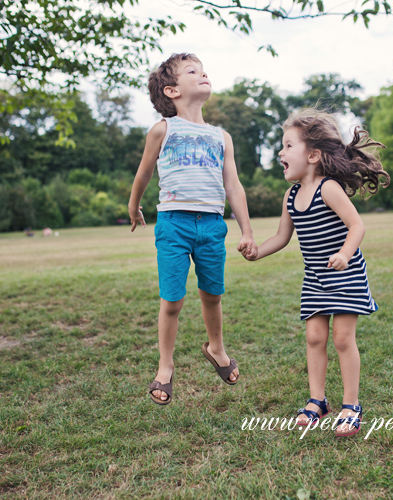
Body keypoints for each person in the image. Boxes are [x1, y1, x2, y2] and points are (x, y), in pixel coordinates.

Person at [246, 109, 389, 437]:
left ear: (312, 155)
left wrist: (344, 253)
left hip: (346, 273)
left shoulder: (329, 189)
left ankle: (351, 406)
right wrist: (257, 252)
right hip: (316, 278)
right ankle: (318, 401)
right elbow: (282, 238)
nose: (280, 153)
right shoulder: (291, 196)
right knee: (314, 337)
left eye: (287, 146)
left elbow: (357, 225)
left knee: (342, 339)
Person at [128, 53, 256, 405]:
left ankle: (216, 348)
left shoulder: (222, 137)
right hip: (173, 223)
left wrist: (246, 230)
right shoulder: (162, 129)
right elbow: (144, 173)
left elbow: (234, 185)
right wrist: (133, 204)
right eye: (192, 71)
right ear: (171, 90)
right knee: (172, 300)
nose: (203, 74)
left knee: (212, 295)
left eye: (203, 70)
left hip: (213, 225)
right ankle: (165, 366)